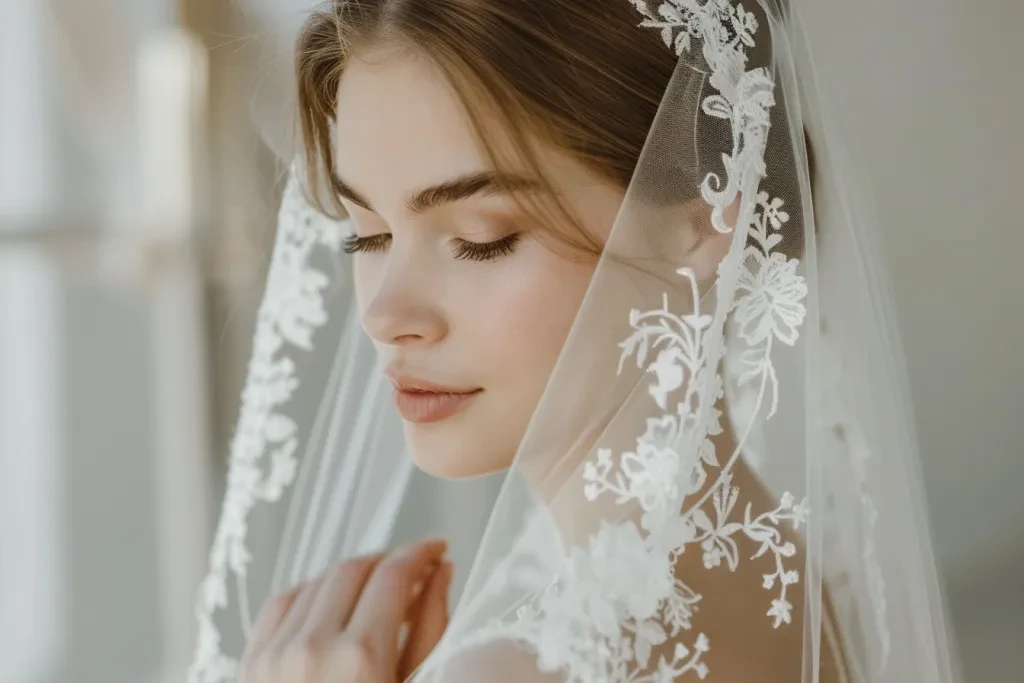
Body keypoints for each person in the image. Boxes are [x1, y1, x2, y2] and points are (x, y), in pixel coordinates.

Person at [189, 1, 961, 682]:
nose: (387, 313)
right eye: (370, 236)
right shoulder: (783, 574)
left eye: (480, 238)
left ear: (701, 220)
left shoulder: (513, 669)